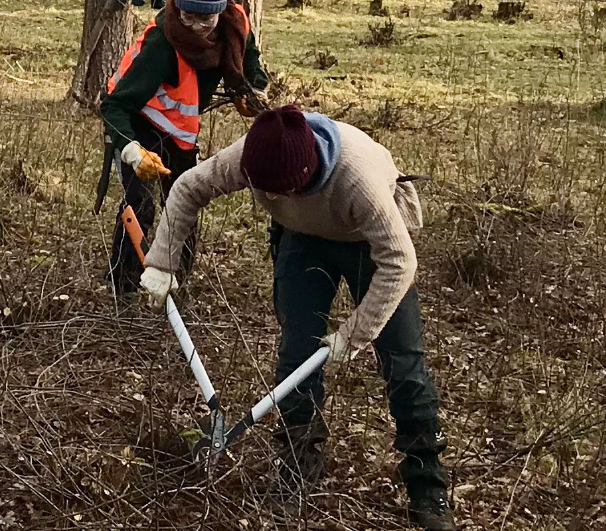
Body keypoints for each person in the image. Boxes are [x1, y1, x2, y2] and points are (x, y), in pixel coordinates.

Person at [140, 106, 451, 530]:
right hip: (303, 243)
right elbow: (186, 189)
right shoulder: (250, 156)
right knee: (296, 357)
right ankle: (297, 467)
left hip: (368, 248)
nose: (277, 199)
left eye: (285, 190)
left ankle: (427, 487)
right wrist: (162, 263)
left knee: (403, 365)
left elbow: (399, 262)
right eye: (267, 192)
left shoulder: (358, 178)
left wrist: (355, 334)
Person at [101, 0, 266, 296]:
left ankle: (175, 283)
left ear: (220, 13)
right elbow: (113, 106)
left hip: (181, 136)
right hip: (140, 127)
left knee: (185, 203)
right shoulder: (162, 43)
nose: (194, 27)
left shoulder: (234, 26)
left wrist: (251, 91)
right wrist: (133, 151)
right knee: (141, 206)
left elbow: (250, 61)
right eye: (187, 16)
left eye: (204, 20)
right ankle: (124, 287)